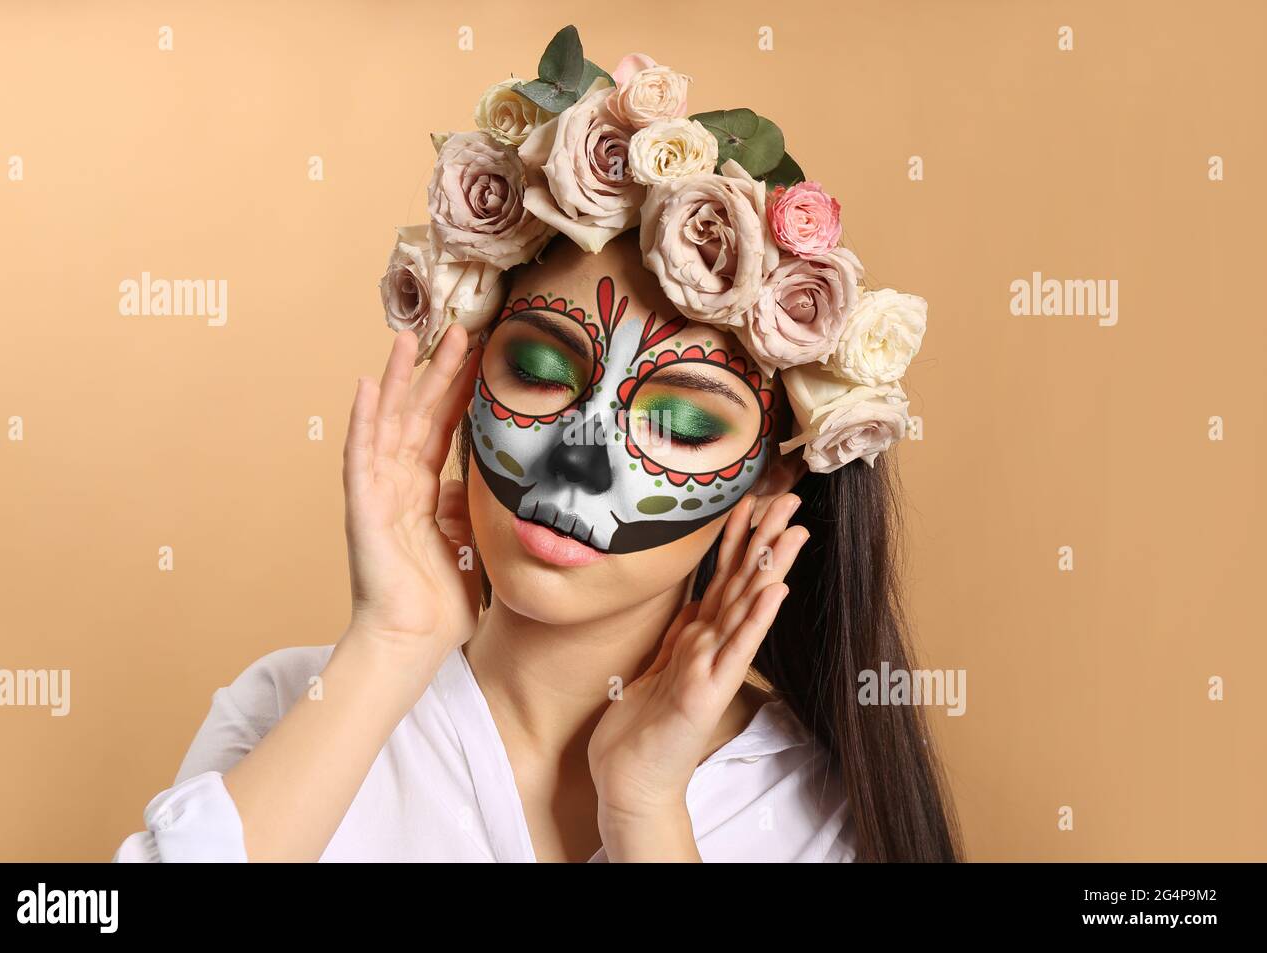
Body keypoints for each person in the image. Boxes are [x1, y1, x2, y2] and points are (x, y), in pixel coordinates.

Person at [114, 29, 960, 863]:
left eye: (685, 422)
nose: (577, 459)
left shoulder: (806, 808)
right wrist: (392, 645)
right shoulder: (291, 710)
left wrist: (645, 812)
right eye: (540, 370)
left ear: (771, 481)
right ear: (472, 364)